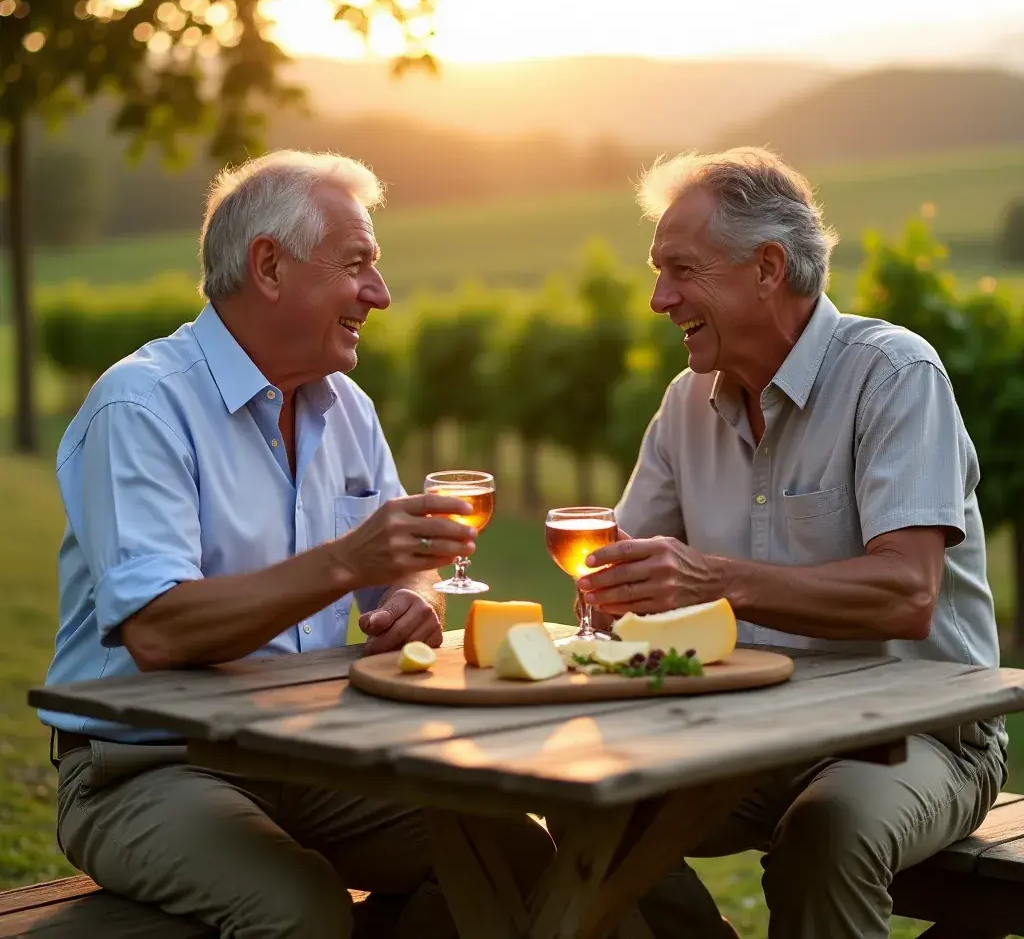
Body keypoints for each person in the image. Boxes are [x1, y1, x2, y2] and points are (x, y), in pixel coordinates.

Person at [39, 150, 552, 938]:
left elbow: (403, 569)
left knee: (516, 857)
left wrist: (411, 601)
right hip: (145, 765)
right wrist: (348, 561)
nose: (379, 293)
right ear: (270, 266)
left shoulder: (347, 407)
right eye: (357, 264)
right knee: (299, 910)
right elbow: (158, 630)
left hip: (311, 754)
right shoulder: (141, 405)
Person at [577, 147, 1007, 939]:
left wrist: (711, 580)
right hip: (747, 732)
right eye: (657, 272)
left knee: (828, 833)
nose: (658, 299)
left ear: (768, 268)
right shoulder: (684, 404)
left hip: (916, 736)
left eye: (680, 271)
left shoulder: (894, 375)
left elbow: (907, 595)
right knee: (591, 813)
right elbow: (623, 572)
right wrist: (614, 592)